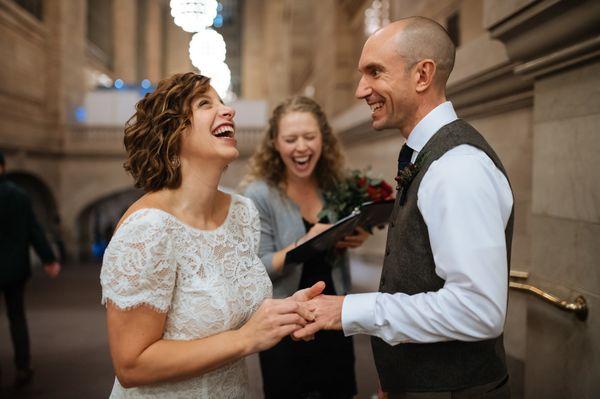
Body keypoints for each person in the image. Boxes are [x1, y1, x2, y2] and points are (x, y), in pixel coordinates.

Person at [293, 17, 514, 398]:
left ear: (422, 75)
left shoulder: (457, 167)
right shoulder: (428, 155)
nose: (362, 89)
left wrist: (347, 310)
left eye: (375, 72)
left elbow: (479, 310)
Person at [99, 72, 322, 398]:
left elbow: (233, 309)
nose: (228, 110)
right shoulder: (147, 229)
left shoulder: (242, 213)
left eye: (223, 102)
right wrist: (247, 339)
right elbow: (131, 365)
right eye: (206, 103)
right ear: (172, 130)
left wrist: (282, 314)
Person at [244, 96, 369, 399]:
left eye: (310, 137)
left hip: (334, 318)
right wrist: (304, 243)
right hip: (285, 324)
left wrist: (356, 236)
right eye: (290, 139)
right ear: (275, 143)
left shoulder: (334, 186)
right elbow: (254, 268)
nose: (301, 147)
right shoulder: (259, 195)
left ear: (323, 140)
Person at [0, 151, 61, 388]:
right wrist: (49, 259)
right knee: (17, 317)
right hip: (15, 268)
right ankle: (22, 366)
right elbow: (34, 229)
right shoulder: (19, 195)